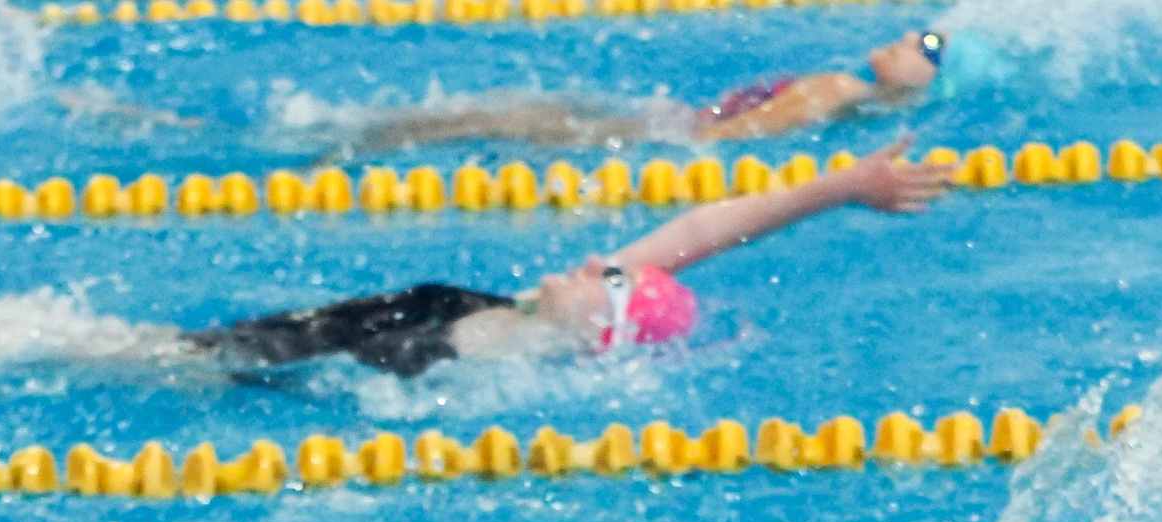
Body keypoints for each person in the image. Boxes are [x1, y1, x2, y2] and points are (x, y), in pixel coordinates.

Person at [186, 138, 953, 380]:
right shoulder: (519, 310)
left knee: (195, 365)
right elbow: (707, 228)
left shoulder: (494, 370)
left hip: (363, 360)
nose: (593, 264)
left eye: (607, 281)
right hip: (415, 315)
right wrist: (844, 184)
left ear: (603, 333)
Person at [312, 27, 997, 156]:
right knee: (486, 116)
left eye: (931, 48)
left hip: (656, 133)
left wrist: (675, 145)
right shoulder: (851, 96)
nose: (913, 36)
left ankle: (339, 148)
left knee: (481, 119)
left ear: (936, 84)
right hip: (657, 122)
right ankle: (344, 141)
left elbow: (739, 135)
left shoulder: (841, 87)